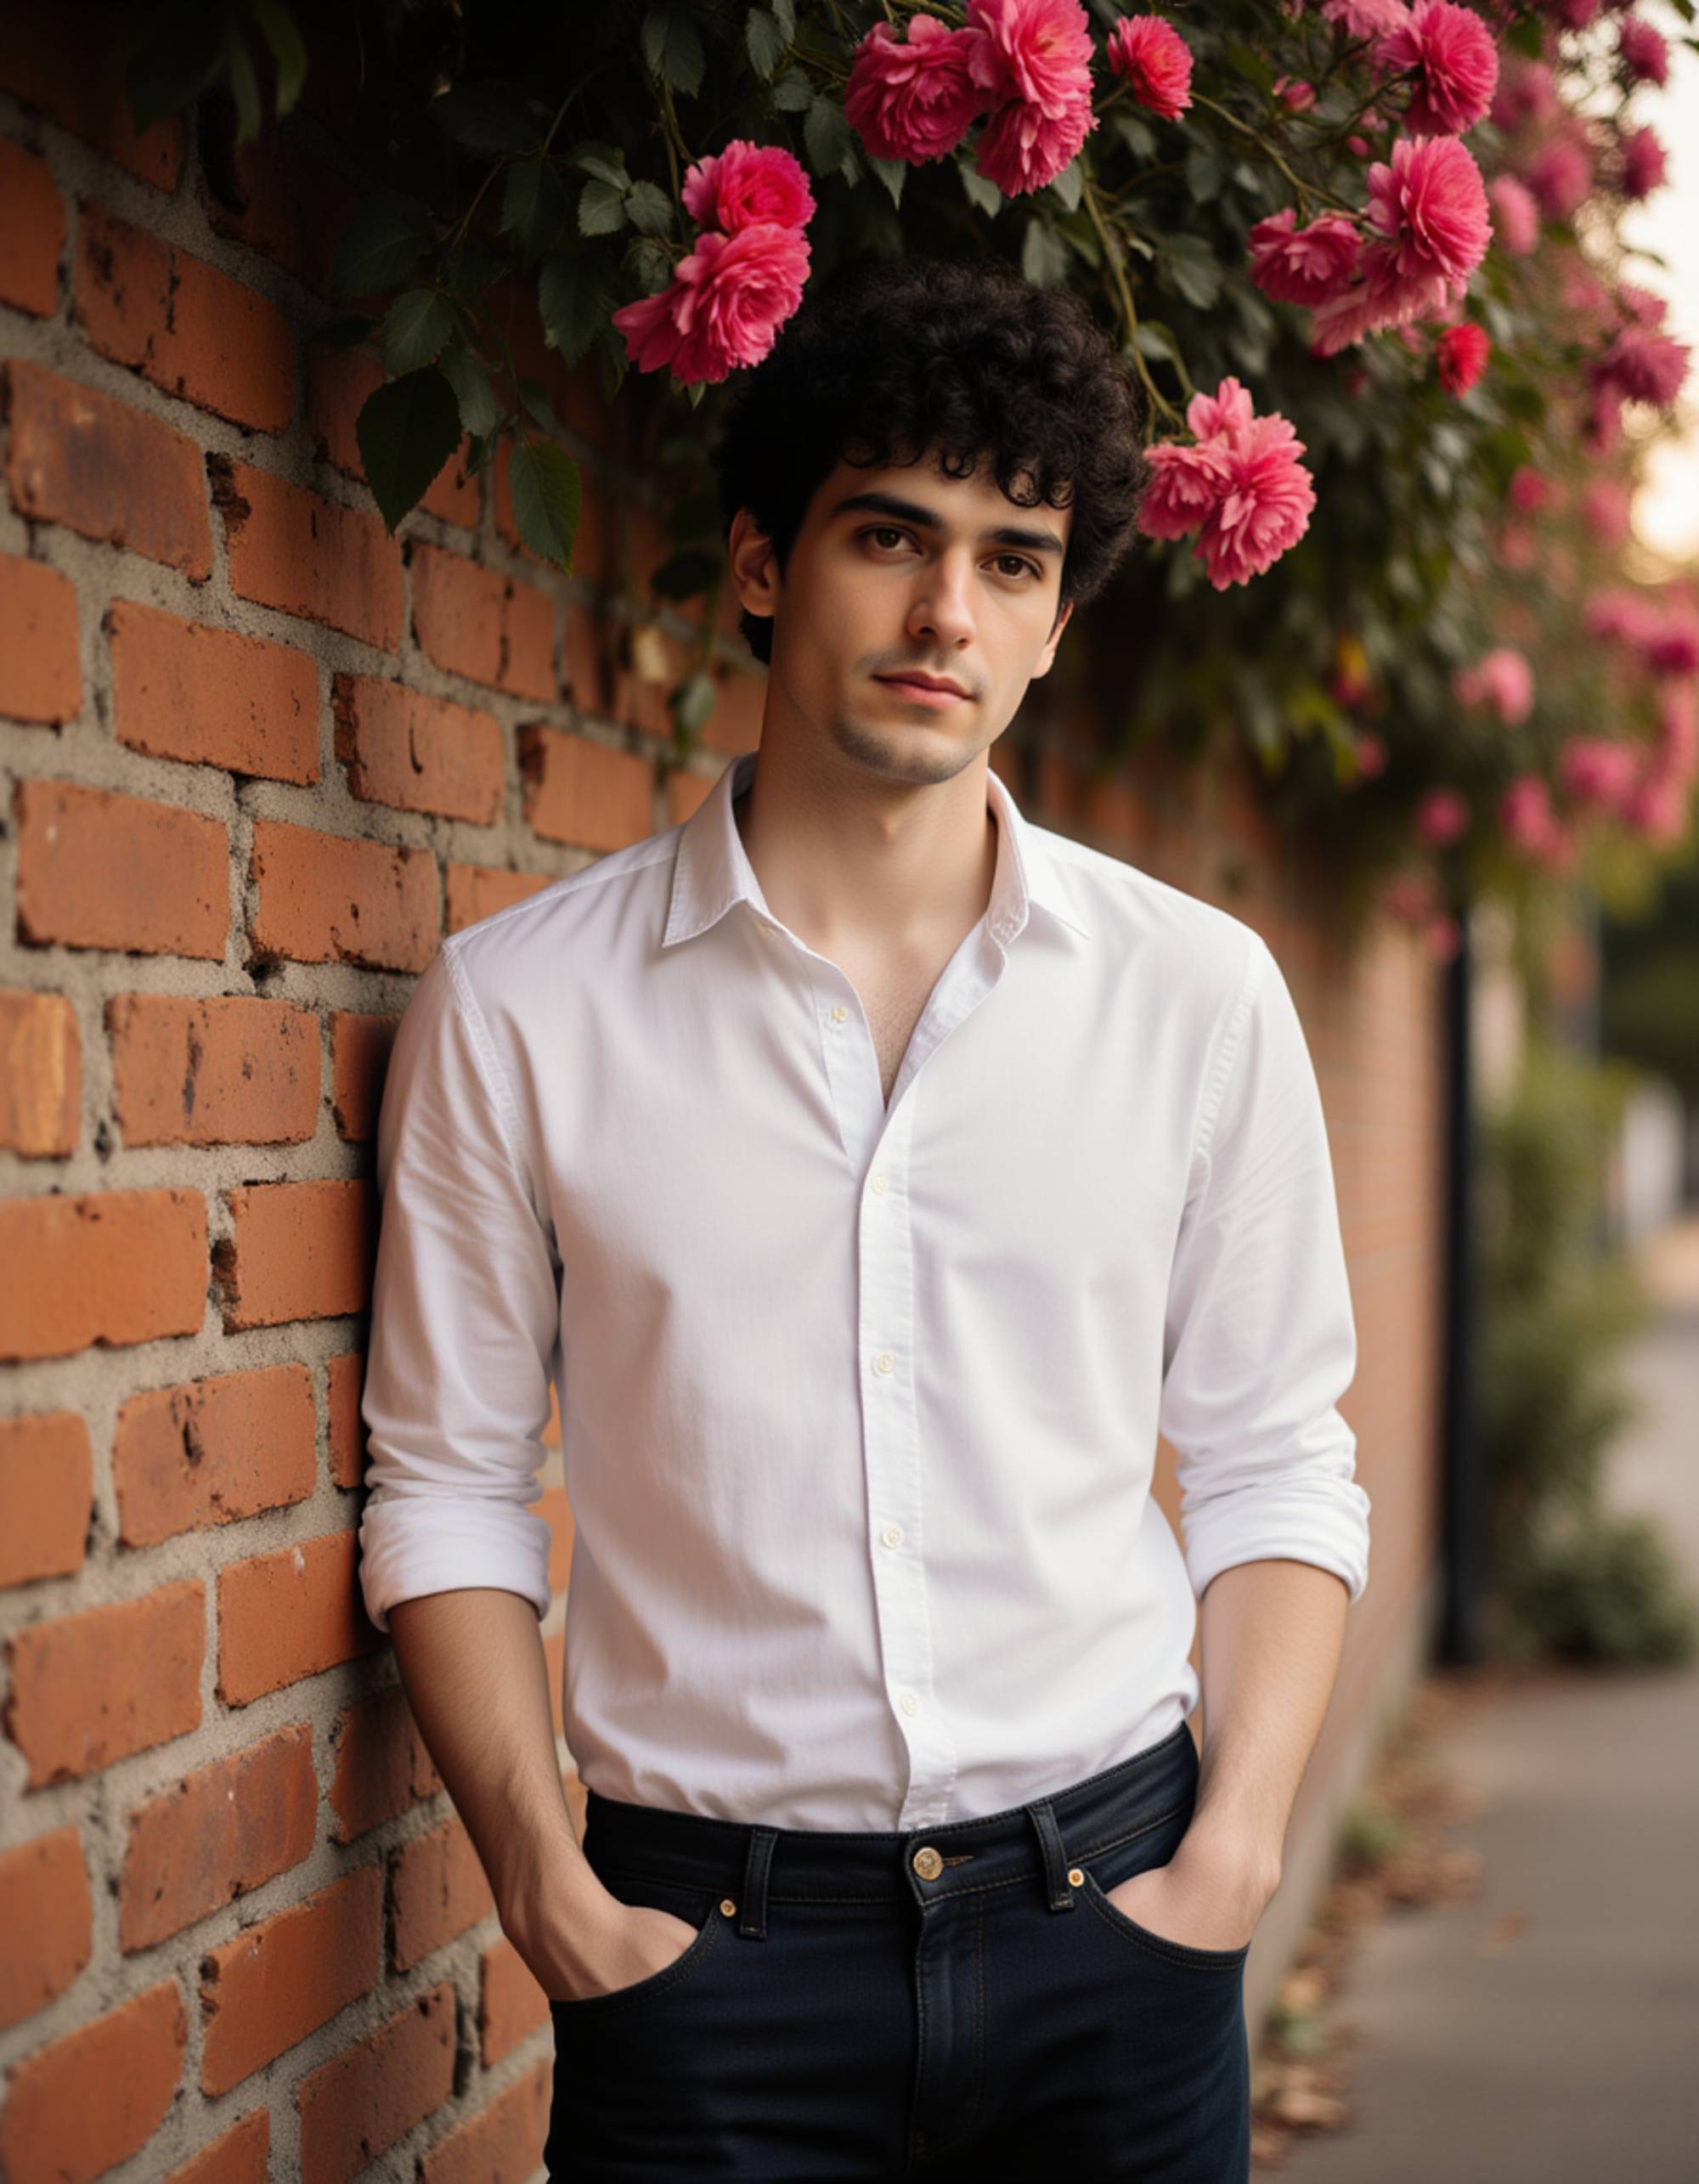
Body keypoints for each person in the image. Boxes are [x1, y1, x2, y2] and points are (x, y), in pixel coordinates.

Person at [357, 254, 1371, 2182]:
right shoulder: (523, 1010)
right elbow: (449, 1484)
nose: (944, 612)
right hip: (700, 1969)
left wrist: (1228, 1858)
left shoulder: (1197, 993)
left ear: (1058, 621)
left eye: (1011, 559)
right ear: (759, 563)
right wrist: (553, 1899)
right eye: (889, 535)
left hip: (1120, 1925)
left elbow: (1272, 1462)